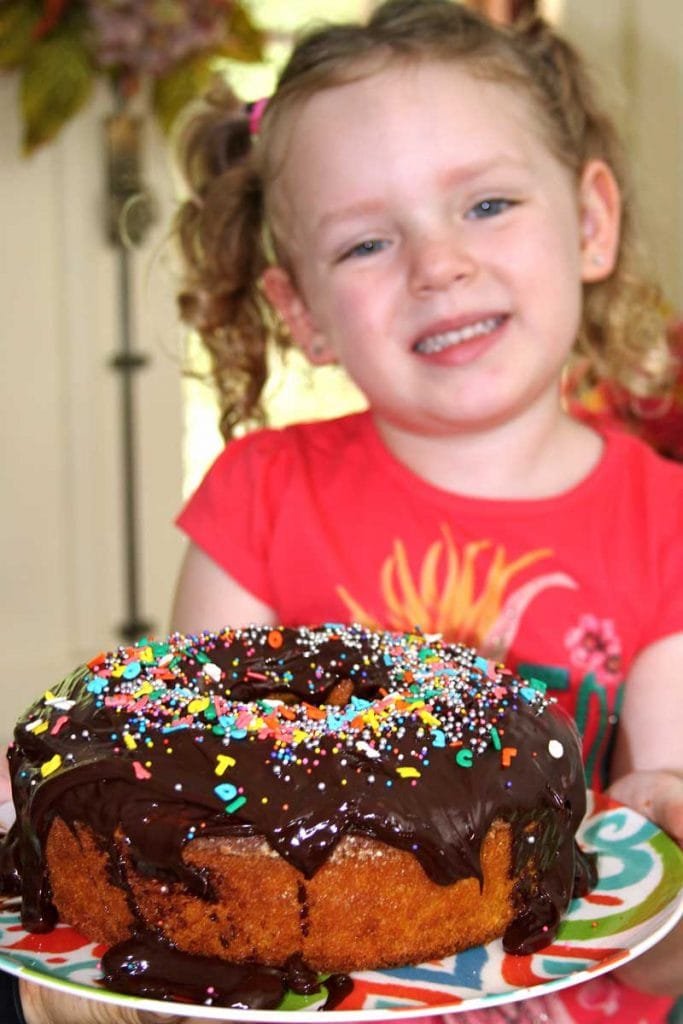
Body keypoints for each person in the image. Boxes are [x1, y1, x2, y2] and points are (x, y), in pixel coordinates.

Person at [8, 1, 683, 1021]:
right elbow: (174, 788)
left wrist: (657, 872)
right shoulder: (260, 495)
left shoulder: (662, 521)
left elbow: (654, 886)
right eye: (366, 242)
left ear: (589, 221)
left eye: (487, 204)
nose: (437, 263)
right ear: (301, 313)